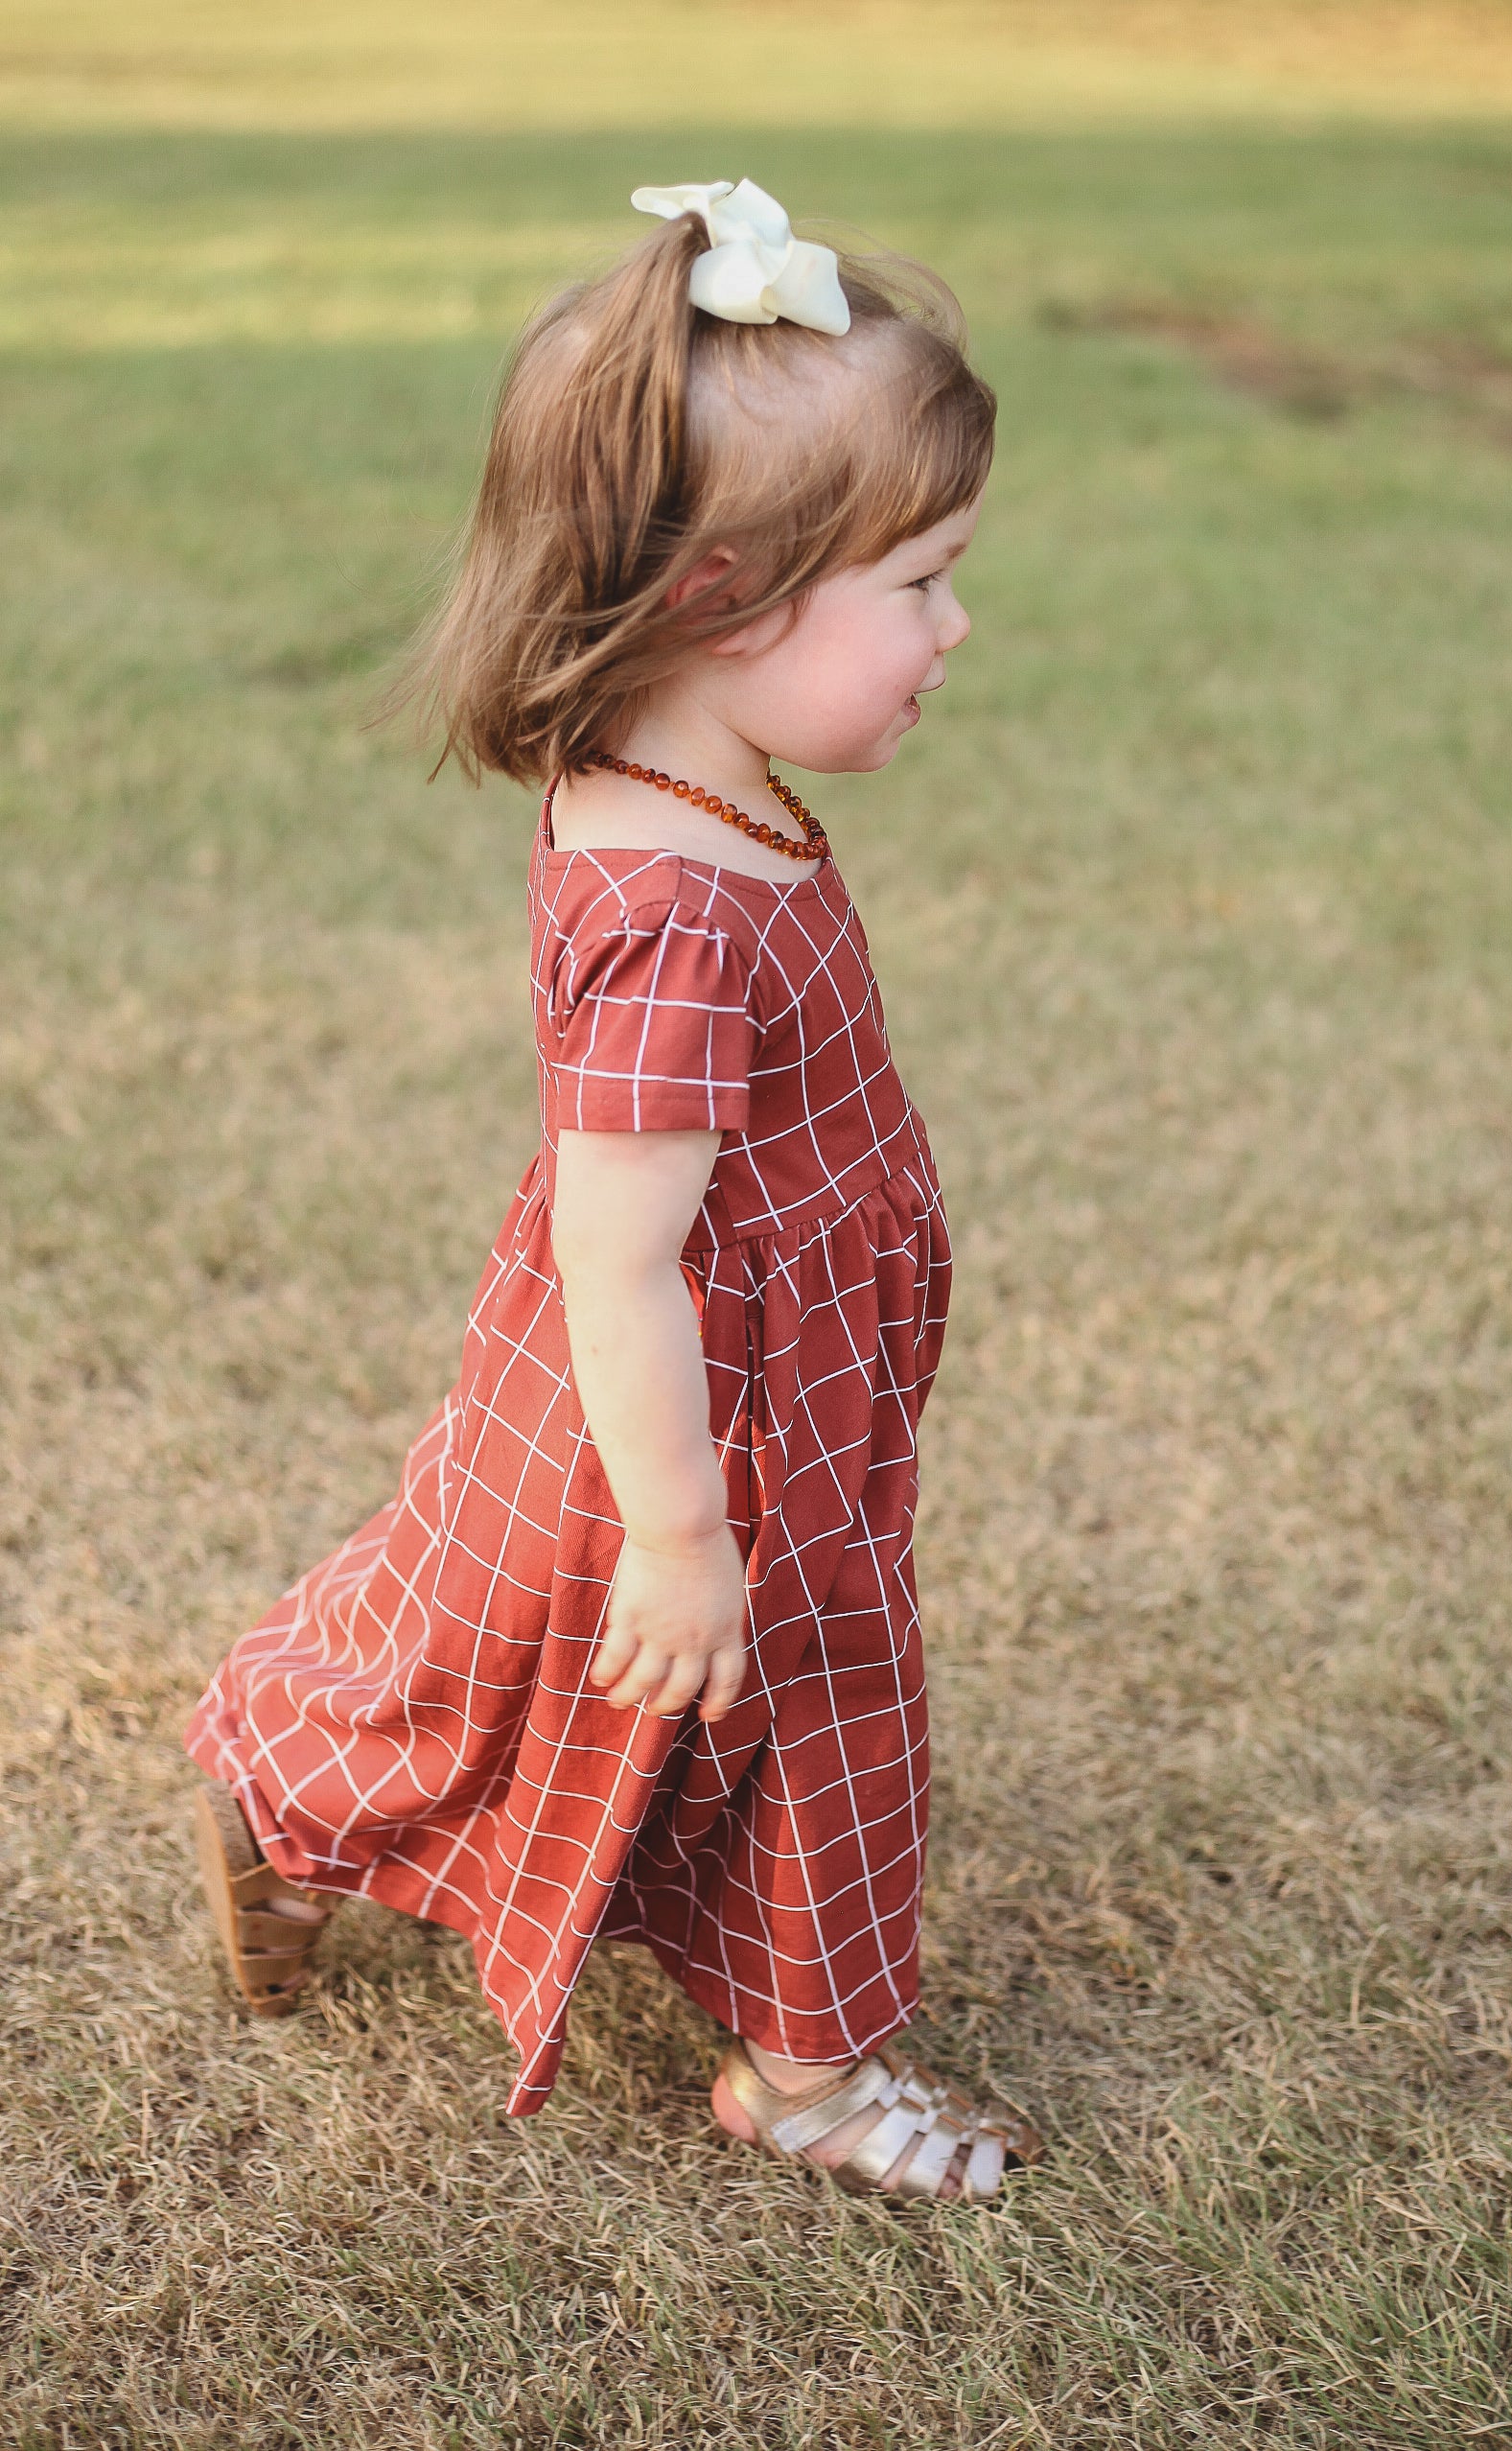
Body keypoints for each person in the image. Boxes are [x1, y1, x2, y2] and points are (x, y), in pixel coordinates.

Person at [187, 178, 1040, 2204]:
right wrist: (680, 1532)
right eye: (918, 584)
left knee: (480, 1639)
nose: (958, 626)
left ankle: (277, 1780)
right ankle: (810, 2076)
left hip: (714, 1370)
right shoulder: (670, 909)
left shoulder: (694, 775)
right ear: (726, 603)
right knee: (809, 1695)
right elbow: (619, 1242)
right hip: (694, 1407)